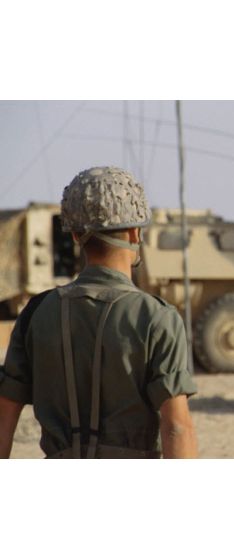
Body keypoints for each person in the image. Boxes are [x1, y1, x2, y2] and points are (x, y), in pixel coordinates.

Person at [0, 166, 198, 459]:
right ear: (134, 233)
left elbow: (4, 416)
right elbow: (177, 427)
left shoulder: (36, 313)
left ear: (76, 236)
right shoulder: (156, 317)